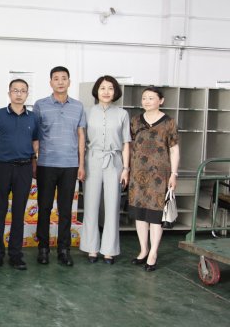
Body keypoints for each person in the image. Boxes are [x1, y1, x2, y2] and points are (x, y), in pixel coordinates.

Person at [0, 79, 39, 270]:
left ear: (27, 94)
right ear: (9, 93)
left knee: (18, 212)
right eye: (15, 90)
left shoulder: (33, 117)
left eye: (23, 91)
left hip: (24, 168)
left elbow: (35, 142)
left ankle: (16, 255)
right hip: (3, 168)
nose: (19, 94)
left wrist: (30, 158)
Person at [34, 66, 86, 267]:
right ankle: (43, 248)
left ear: (69, 82)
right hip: (46, 164)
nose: (60, 82)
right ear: (50, 83)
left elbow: (81, 136)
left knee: (65, 210)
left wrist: (81, 164)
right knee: (44, 208)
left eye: (64, 78)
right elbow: (35, 136)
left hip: (70, 165)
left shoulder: (78, 106)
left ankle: (64, 250)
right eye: (56, 78)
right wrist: (34, 161)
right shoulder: (40, 105)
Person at [80, 76, 131, 264]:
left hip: (114, 160)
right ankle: (91, 248)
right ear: (97, 91)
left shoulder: (122, 114)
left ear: (115, 92)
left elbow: (126, 143)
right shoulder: (86, 112)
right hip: (92, 158)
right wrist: (81, 164)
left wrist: (126, 168)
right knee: (91, 205)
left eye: (110, 88)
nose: (106, 92)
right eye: (102, 88)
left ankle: (109, 250)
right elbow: (81, 140)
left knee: (112, 206)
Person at [128, 86, 179, 272]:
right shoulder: (135, 120)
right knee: (140, 214)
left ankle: (153, 253)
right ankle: (143, 250)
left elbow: (174, 149)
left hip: (159, 176)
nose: (147, 101)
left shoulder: (169, 122)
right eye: (144, 98)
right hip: (138, 175)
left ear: (161, 100)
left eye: (151, 98)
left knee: (155, 216)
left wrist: (174, 174)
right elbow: (131, 146)